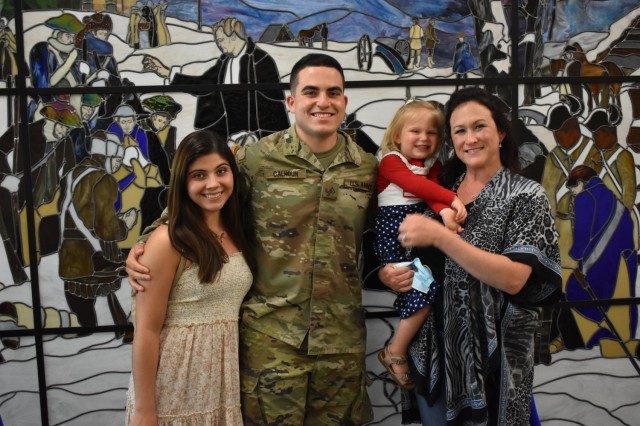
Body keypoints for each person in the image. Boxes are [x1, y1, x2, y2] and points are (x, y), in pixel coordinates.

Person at [127, 53, 376, 424]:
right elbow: (201, 201)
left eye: (333, 92)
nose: (322, 101)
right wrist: (145, 244)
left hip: (341, 343)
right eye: (311, 92)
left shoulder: (368, 167)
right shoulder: (257, 159)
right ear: (291, 102)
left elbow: (390, 230)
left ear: (344, 102)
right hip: (272, 344)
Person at [379, 87, 562, 424]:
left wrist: (441, 238)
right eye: (459, 130)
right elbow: (393, 238)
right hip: (432, 349)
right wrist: (385, 273)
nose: (470, 138)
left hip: (496, 357)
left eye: (480, 127)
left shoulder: (525, 195)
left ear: (501, 132)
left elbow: (515, 278)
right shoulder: (441, 185)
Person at [125, 129, 256, 424]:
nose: (213, 183)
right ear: (183, 182)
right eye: (199, 175)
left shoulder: (237, 229)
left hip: (221, 385)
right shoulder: (167, 241)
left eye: (221, 171)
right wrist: (145, 411)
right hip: (174, 388)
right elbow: (145, 331)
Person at [375, 99, 466, 389]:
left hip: (418, 237)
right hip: (394, 236)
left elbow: (431, 195)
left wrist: (443, 212)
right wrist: (451, 201)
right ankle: (395, 350)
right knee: (421, 294)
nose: (424, 138)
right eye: (415, 131)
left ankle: (409, 350)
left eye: (432, 133)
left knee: (427, 290)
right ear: (397, 135)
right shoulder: (391, 161)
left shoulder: (433, 164)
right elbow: (419, 187)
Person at [142, 17, 289, 144]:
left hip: (255, 138)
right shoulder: (224, 62)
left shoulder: (260, 61)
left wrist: (256, 136)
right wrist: (166, 72)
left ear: (233, 36)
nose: (219, 45)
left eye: (220, 40)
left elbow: (273, 106)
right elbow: (203, 85)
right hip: (230, 136)